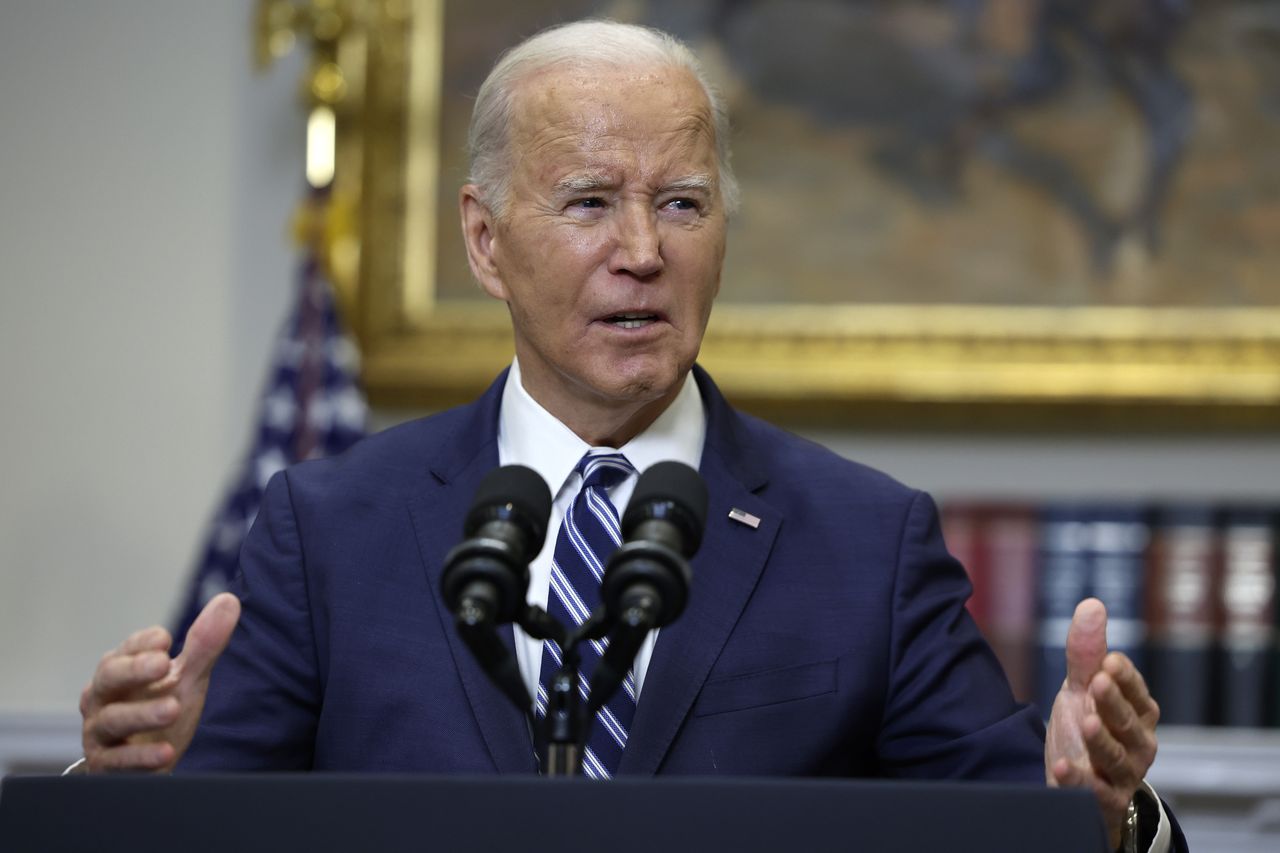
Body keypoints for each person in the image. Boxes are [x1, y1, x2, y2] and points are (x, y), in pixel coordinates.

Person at [78, 20, 1182, 852]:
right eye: (590, 201)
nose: (643, 251)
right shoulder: (332, 531)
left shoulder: (864, 540)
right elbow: (197, 826)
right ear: (483, 239)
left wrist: (1105, 806)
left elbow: (1019, 821)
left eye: (685, 204)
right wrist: (119, 785)